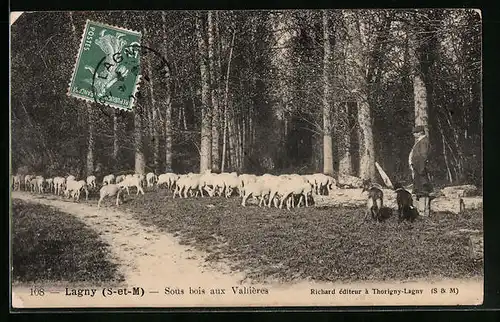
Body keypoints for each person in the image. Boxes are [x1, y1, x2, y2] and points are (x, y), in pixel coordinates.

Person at [408, 125, 433, 200]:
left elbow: (423, 156)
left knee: (422, 190)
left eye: (415, 132)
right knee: (419, 189)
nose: (413, 134)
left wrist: (421, 169)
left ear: (421, 132)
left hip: (420, 169)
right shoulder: (420, 141)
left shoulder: (423, 141)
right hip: (418, 168)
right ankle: (422, 208)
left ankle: (423, 209)